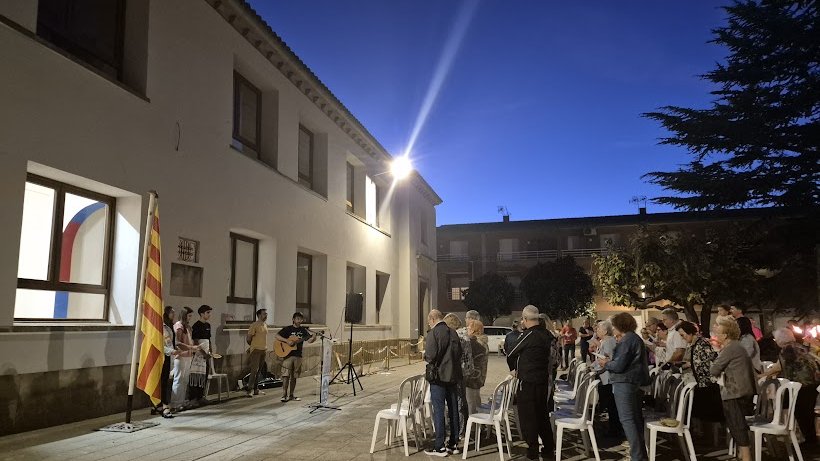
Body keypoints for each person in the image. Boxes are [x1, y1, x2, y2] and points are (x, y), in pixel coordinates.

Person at [598, 312, 650, 461]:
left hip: (625, 383)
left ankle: (637, 457)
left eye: (614, 326)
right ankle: (640, 455)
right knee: (633, 420)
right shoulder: (633, 339)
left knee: (628, 421)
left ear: (620, 326)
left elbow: (620, 365)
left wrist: (606, 363)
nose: (613, 329)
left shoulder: (628, 340)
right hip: (631, 382)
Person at [506, 305, 555, 460]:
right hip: (543, 380)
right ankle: (548, 448)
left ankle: (532, 451)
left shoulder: (529, 335)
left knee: (528, 417)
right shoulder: (547, 335)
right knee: (542, 415)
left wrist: (514, 367)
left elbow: (512, 351)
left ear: (525, 319)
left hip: (528, 381)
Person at [761, 328, 819, 447]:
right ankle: (811, 439)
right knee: (807, 412)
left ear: (780, 340)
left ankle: (808, 440)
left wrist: (762, 375)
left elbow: (778, 367)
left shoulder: (786, 349)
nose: (774, 341)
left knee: (801, 411)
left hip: (802, 383)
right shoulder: (798, 346)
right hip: (813, 382)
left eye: (775, 338)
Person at [710, 318, 757, 461]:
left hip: (735, 391)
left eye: (718, 330)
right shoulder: (736, 346)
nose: (715, 332)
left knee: (737, 424)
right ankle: (743, 455)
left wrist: (716, 354)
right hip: (739, 389)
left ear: (725, 335)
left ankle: (746, 457)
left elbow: (714, 369)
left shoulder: (730, 348)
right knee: (736, 423)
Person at [424, 309, 463, 456]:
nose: (429, 323)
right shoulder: (453, 332)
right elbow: (458, 353)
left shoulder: (433, 333)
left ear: (433, 319)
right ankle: (453, 444)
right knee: (453, 410)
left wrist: (426, 356)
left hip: (439, 377)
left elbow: (431, 356)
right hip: (453, 376)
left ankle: (439, 445)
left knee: (439, 410)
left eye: (429, 321)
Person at [676, 321, 724, 423]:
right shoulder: (694, 345)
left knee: (711, 418)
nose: (682, 338)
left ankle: (711, 438)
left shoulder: (702, 344)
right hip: (701, 384)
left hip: (707, 385)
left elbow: (706, 364)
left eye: (682, 335)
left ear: (689, 332)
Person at [590, 319, 622, 438]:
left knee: (611, 405)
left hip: (608, 377)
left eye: (598, 328)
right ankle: (612, 429)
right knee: (610, 404)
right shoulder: (605, 341)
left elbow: (609, 359)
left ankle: (614, 430)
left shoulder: (609, 342)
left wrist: (598, 369)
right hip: (604, 376)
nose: (597, 330)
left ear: (604, 330)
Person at [275, 312, 316, 402]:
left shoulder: (303, 330)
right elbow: (277, 336)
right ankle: (284, 394)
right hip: (287, 355)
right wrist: (287, 341)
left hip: (298, 355)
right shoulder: (288, 329)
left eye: (300, 319)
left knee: (294, 376)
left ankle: (291, 395)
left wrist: (314, 337)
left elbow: (309, 340)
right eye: (297, 318)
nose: (299, 320)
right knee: (285, 375)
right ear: (293, 319)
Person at [444, 313, 469, 437]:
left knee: (457, 401)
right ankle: (464, 429)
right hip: (465, 371)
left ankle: (459, 430)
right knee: (462, 400)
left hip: (457, 371)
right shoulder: (465, 334)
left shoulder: (457, 336)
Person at [171, 306, 199, 411]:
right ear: (184, 315)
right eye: (189, 316)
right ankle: (175, 403)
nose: (190, 318)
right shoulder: (179, 326)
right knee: (178, 379)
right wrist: (191, 347)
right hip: (181, 355)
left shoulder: (187, 327)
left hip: (188, 355)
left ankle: (182, 401)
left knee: (185, 380)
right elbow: (177, 342)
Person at [189, 305, 215, 405]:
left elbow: (209, 339)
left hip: (206, 353)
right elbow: (195, 341)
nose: (209, 315)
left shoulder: (208, 325)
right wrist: (203, 353)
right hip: (198, 354)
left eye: (209, 312)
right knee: (195, 375)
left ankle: (201, 396)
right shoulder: (196, 326)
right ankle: (193, 398)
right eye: (207, 313)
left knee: (204, 375)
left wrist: (210, 351)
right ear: (201, 314)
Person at [156, 305, 179, 418]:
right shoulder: (160, 327)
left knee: (165, 381)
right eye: (171, 313)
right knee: (163, 382)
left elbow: (171, 341)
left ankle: (161, 404)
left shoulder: (169, 326)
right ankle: (163, 405)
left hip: (169, 356)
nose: (173, 315)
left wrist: (174, 349)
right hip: (162, 357)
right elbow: (159, 344)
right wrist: (171, 351)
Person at [464, 320, 488, 417]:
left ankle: (473, 426)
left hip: (473, 376)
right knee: (476, 399)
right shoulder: (483, 342)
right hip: (479, 375)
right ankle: (478, 424)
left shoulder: (476, 343)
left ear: (474, 330)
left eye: (469, 328)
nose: (467, 330)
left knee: (470, 402)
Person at [245, 308, 269, 397]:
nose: (266, 316)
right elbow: (248, 338)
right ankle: (249, 390)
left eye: (266, 314)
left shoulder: (265, 325)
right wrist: (252, 346)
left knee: (259, 371)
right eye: (264, 314)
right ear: (259, 315)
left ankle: (256, 389)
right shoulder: (254, 325)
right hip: (256, 350)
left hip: (264, 350)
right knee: (254, 370)